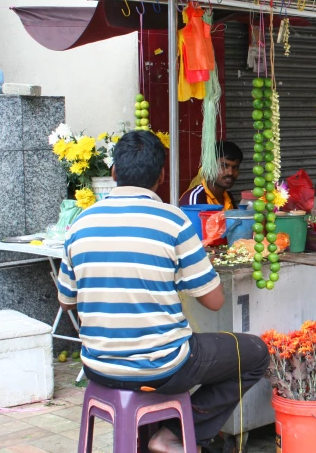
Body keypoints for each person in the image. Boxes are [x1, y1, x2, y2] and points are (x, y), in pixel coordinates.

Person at [57, 131, 269, 453]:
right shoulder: (173, 220)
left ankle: (153, 435)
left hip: (97, 365)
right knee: (254, 353)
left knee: (174, 353)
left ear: (114, 173)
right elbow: (214, 301)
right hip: (164, 365)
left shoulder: (80, 226)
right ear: (160, 177)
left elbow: (65, 301)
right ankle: (175, 435)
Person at [180, 141, 242, 210]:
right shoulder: (196, 198)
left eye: (235, 167)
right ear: (210, 166)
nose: (230, 173)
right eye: (223, 166)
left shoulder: (227, 196)